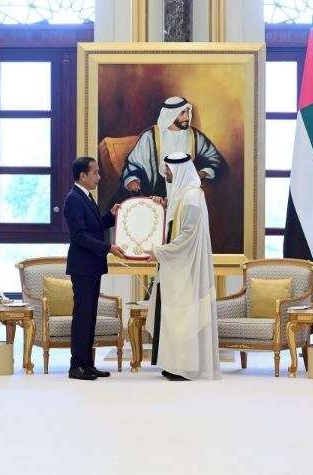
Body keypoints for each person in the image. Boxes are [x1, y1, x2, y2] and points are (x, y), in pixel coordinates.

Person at [145, 152, 220, 381]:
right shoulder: (185, 196)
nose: (166, 175)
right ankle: (173, 364)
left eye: (168, 171)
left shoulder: (191, 198)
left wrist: (158, 252)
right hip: (178, 267)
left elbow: (186, 237)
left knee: (183, 316)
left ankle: (185, 367)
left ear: (177, 171)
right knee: (174, 315)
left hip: (186, 268)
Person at [63, 156, 126, 381]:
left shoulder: (85, 197)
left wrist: (111, 215)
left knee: (89, 316)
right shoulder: (73, 199)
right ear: (83, 175)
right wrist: (108, 247)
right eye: (96, 173)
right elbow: (79, 236)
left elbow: (95, 226)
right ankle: (76, 366)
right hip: (83, 267)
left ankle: (87, 363)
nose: (99, 177)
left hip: (92, 266)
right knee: (82, 316)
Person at [114, 97, 226, 203]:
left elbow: (215, 159)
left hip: (184, 190)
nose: (187, 117)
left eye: (188, 112)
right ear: (170, 115)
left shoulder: (194, 136)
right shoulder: (150, 136)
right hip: (156, 190)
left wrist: (201, 173)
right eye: (182, 113)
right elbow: (134, 163)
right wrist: (133, 179)